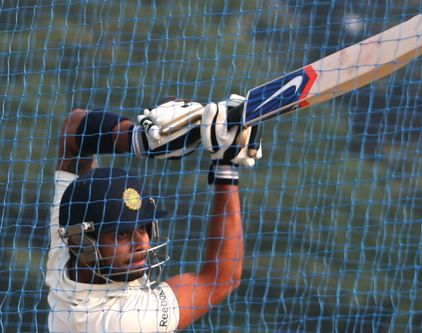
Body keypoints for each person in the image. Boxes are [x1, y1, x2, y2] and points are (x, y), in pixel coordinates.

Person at [45, 96, 261, 332]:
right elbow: (221, 278)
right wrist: (226, 166)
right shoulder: (120, 321)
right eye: (121, 235)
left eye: (143, 227)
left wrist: (139, 139)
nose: (141, 243)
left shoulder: (69, 243)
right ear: (82, 243)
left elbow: (72, 129)